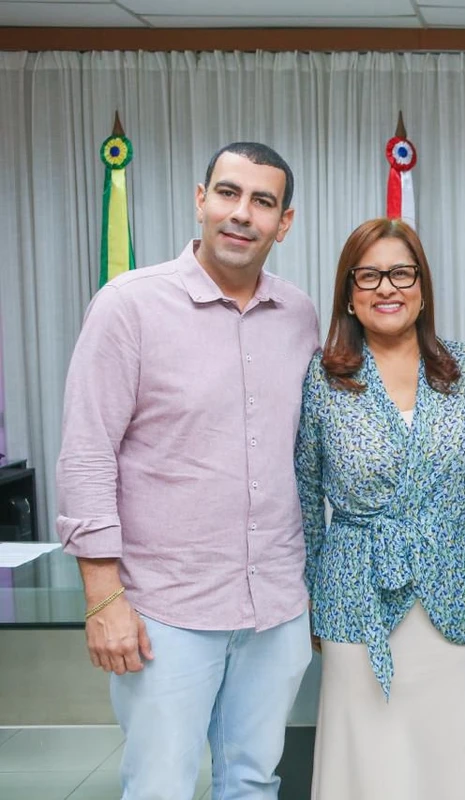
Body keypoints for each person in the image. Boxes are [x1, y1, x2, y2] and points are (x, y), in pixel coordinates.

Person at [56, 142, 318, 798]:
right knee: (161, 786)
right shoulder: (129, 306)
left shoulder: (300, 315)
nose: (242, 214)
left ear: (284, 223)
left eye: (263, 202)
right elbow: (87, 454)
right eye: (228, 193)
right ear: (200, 201)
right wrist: (103, 598)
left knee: (254, 780)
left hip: (275, 605)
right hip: (165, 610)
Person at [296, 217, 465, 800]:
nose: (386, 288)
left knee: (456, 756)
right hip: (357, 596)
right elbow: (303, 496)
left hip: (458, 590)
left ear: (423, 288)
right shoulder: (322, 379)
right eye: (367, 275)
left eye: (401, 272)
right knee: (373, 761)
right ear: (348, 293)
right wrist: (313, 598)